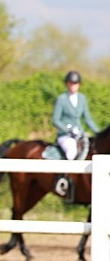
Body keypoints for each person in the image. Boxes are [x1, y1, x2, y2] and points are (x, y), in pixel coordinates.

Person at [52, 70, 100, 198]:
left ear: (79, 84)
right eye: (71, 83)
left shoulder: (82, 98)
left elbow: (88, 118)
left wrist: (99, 133)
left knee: (92, 151)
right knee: (72, 151)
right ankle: (64, 180)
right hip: (65, 135)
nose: (73, 85)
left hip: (79, 133)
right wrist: (69, 129)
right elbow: (55, 120)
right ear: (67, 84)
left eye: (76, 83)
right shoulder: (61, 99)